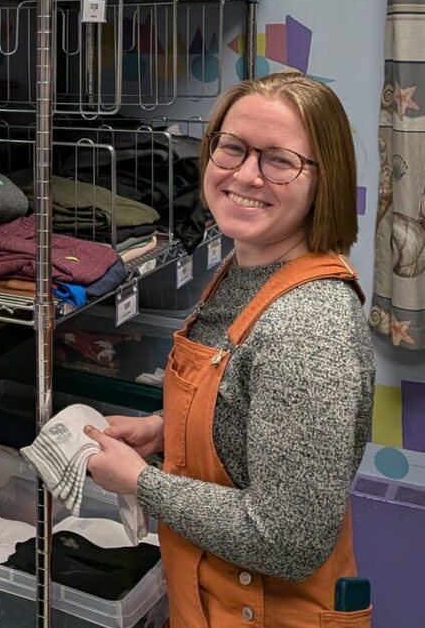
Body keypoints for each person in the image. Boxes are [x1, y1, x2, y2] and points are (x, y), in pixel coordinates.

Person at [83, 72, 375, 627]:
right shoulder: (247, 267)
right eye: (232, 148)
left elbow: (287, 538)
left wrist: (140, 482)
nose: (246, 175)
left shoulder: (308, 326)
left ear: (324, 179)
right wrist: (168, 429)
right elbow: (254, 417)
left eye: (279, 160)